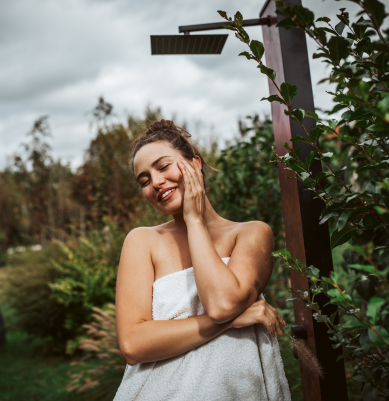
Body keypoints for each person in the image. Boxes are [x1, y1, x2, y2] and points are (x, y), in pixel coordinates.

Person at [113, 120, 292, 400]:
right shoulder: (141, 241)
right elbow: (133, 345)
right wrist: (230, 322)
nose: (155, 183)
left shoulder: (251, 233)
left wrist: (194, 220)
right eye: (144, 180)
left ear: (194, 164)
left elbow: (222, 304)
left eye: (163, 167)